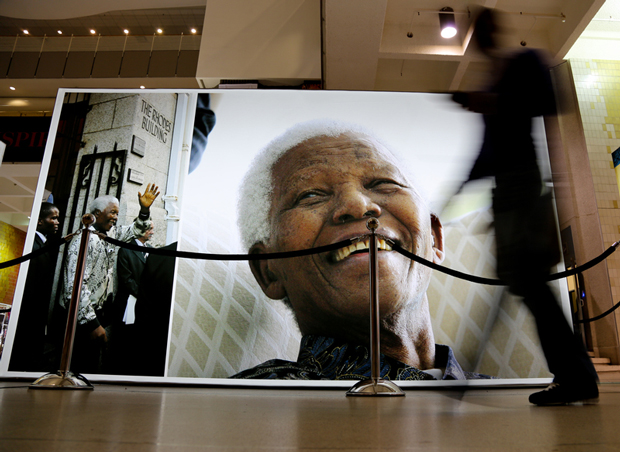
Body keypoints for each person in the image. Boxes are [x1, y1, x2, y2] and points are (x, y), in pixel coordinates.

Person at [231, 119, 491, 381]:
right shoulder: (247, 404)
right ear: (268, 271)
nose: (358, 205)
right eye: (311, 195)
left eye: (382, 182)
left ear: (434, 239)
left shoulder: (513, 398)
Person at [451, 8, 598, 405]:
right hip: (507, 194)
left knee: (530, 286)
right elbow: (488, 153)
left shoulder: (523, 64)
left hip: (524, 187)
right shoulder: (494, 80)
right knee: (528, 286)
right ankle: (575, 374)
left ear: (496, 30)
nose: (480, 36)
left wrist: (493, 102)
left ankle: (576, 376)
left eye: (483, 28)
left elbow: (550, 102)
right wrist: (457, 190)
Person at [61, 184, 160, 374]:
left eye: (117, 213)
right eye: (112, 212)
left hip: (102, 314)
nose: (115, 217)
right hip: (82, 320)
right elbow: (75, 286)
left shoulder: (110, 235)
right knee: (78, 367)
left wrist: (144, 209)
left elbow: (137, 231)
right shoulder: (83, 241)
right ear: (97, 213)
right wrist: (92, 324)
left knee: (93, 368)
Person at [9, 202, 60, 371]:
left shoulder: (42, 246)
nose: (57, 222)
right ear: (39, 221)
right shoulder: (34, 246)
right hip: (28, 318)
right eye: (53, 218)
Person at [105, 220, 154, 374]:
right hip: (128, 302)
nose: (153, 232)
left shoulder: (153, 250)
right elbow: (126, 278)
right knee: (124, 341)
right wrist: (143, 294)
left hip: (145, 305)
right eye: (150, 229)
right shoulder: (126, 249)